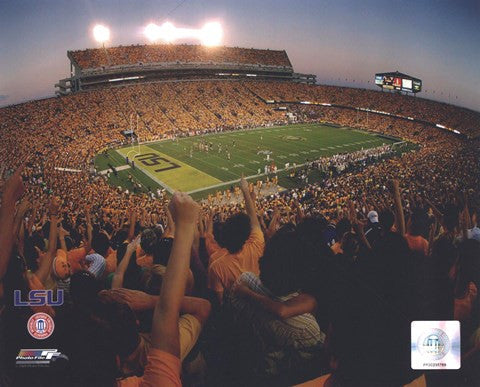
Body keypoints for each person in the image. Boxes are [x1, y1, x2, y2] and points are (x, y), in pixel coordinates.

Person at [205, 177, 265, 303]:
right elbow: (252, 216)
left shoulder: (216, 265)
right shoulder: (257, 244)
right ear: (247, 234)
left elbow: (219, 301)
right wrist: (245, 191)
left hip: (239, 310)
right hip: (262, 302)